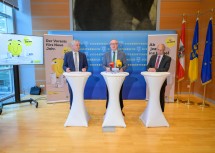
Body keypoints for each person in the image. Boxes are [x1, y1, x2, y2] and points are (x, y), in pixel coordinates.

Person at [102, 39, 127, 115]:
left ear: (117, 45)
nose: (113, 45)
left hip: (119, 77)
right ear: (110, 45)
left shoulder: (122, 54)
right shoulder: (106, 54)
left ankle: (120, 109)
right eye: (112, 44)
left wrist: (123, 68)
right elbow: (103, 65)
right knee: (109, 92)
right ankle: (108, 109)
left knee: (119, 93)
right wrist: (106, 68)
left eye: (115, 44)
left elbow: (126, 65)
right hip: (109, 77)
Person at [63, 40, 88, 108]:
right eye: (77, 45)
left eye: (79, 45)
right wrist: (66, 69)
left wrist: (85, 68)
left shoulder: (83, 55)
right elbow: (64, 66)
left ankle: (80, 107)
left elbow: (86, 65)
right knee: (72, 93)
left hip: (80, 78)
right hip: (71, 78)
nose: (78, 46)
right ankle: (72, 107)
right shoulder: (67, 55)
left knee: (79, 93)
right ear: (72, 46)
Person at [147, 44, 171, 112]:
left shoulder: (167, 58)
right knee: (153, 95)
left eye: (161, 50)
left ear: (164, 50)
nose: (159, 51)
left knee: (160, 95)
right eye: (158, 49)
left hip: (161, 81)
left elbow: (165, 69)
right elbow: (148, 66)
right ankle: (152, 110)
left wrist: (155, 70)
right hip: (152, 80)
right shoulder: (153, 57)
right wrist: (149, 69)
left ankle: (160, 111)